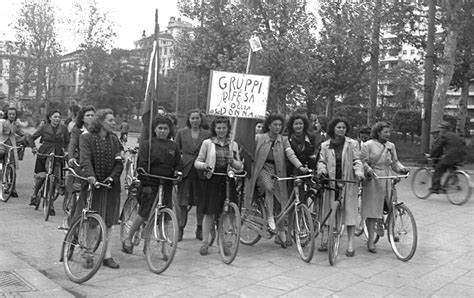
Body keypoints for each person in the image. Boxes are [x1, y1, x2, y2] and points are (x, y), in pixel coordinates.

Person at [122, 115, 182, 255]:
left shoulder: (173, 146)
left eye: (165, 128)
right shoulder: (147, 144)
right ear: (154, 129)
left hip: (166, 183)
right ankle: (128, 238)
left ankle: (163, 248)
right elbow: (141, 164)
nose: (162, 131)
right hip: (150, 183)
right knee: (144, 213)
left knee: (165, 216)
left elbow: (178, 163)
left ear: (170, 130)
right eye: (160, 128)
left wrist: (178, 173)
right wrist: (145, 178)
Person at [247, 114, 308, 248]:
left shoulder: (284, 140)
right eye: (275, 124)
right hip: (262, 168)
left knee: (281, 200)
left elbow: (290, 154)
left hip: (278, 170)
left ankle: (281, 232)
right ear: (269, 125)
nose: (277, 127)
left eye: (280, 125)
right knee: (269, 188)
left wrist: (300, 166)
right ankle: (269, 217)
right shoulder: (260, 138)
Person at [79, 109, 123, 268]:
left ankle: (107, 254)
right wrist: (91, 177)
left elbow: (119, 162)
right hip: (93, 185)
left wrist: (112, 177)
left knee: (109, 220)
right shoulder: (86, 138)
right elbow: (85, 159)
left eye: (113, 120)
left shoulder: (114, 140)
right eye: (110, 120)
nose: (113, 123)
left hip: (110, 186)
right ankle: (88, 253)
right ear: (101, 121)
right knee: (91, 219)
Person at [194, 116, 243, 256]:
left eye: (224, 128)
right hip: (213, 180)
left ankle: (225, 242)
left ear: (228, 129)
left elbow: (240, 166)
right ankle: (204, 242)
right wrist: (205, 166)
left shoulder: (233, 144)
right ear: (214, 129)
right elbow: (197, 162)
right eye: (218, 128)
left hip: (228, 180)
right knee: (209, 212)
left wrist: (233, 162)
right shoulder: (207, 143)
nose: (221, 130)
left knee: (227, 213)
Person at [317, 118, 365, 257]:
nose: (341, 130)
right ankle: (325, 238)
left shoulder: (352, 144)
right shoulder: (325, 145)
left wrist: (359, 173)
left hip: (347, 181)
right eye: (339, 127)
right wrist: (322, 171)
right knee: (328, 209)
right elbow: (321, 161)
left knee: (350, 212)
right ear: (333, 128)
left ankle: (350, 244)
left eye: (344, 127)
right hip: (331, 181)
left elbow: (357, 160)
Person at [360, 121, 409, 254]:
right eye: (385, 132)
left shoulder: (390, 146)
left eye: (389, 132)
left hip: (388, 178)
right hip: (374, 179)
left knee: (393, 204)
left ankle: (390, 227)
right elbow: (362, 162)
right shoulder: (368, 145)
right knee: (373, 210)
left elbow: (394, 162)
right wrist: (368, 170)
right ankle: (371, 240)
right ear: (378, 132)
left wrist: (402, 169)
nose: (388, 134)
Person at [174, 109, 211, 241]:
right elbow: (176, 151)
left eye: (197, 118)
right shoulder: (181, 133)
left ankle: (199, 228)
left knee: (201, 202)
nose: (195, 121)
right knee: (183, 202)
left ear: (201, 120)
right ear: (189, 120)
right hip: (186, 171)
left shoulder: (208, 134)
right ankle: (180, 229)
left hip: (201, 171)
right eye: (192, 118)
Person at [28, 110, 70, 215]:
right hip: (44, 153)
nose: (57, 119)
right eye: (55, 117)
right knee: (41, 176)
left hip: (58, 154)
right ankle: (34, 194)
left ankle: (50, 204)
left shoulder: (64, 129)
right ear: (50, 118)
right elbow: (31, 137)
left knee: (55, 178)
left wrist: (67, 151)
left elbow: (68, 141)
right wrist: (33, 147)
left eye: (59, 117)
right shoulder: (44, 127)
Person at [60, 106, 95, 229]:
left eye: (92, 115)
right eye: (88, 115)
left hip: (94, 164)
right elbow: (72, 144)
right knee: (78, 192)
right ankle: (71, 220)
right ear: (82, 117)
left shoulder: (97, 130)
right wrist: (71, 157)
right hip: (81, 163)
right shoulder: (77, 130)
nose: (90, 118)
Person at [429, 120, 466, 194]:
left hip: (451, 157)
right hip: (461, 157)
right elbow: (463, 143)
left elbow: (438, 147)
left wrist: (431, 155)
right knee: (449, 167)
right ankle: (446, 184)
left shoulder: (445, 136)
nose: (440, 130)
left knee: (439, 168)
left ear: (445, 129)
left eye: (441, 128)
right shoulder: (456, 135)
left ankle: (435, 188)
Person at [0, 107, 28, 198]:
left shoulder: (16, 124)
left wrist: (25, 137)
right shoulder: (3, 122)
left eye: (13, 114)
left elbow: (19, 132)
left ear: (15, 116)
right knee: (2, 160)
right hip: (2, 142)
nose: (12, 116)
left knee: (13, 165)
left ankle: (13, 188)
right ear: (7, 115)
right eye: (10, 114)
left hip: (12, 144)